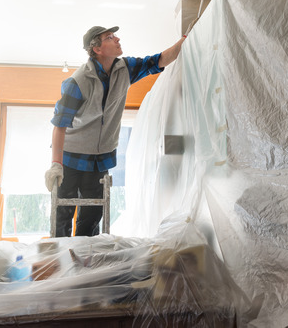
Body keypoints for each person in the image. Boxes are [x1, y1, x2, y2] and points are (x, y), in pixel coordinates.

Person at [45, 25, 185, 237]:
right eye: (110, 37)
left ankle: (83, 263)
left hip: (100, 159)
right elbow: (60, 124)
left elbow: (157, 61)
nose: (117, 39)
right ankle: (59, 261)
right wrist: (56, 164)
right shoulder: (78, 82)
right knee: (62, 214)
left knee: (91, 218)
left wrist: (184, 41)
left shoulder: (124, 69)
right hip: (71, 158)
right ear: (97, 49)